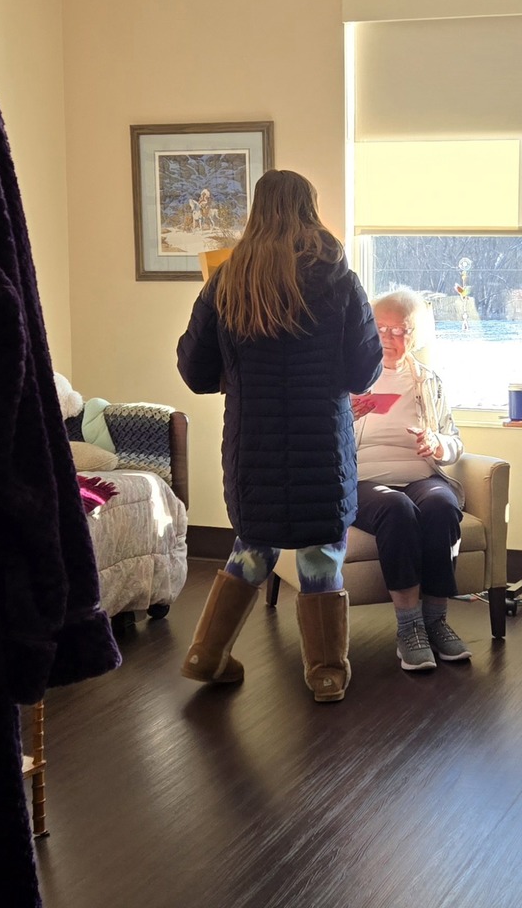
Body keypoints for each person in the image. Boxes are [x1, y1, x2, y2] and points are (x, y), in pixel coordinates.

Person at [177, 169, 382, 702]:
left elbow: (195, 372)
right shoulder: (339, 279)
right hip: (322, 447)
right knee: (321, 553)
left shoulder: (227, 281)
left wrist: (237, 370)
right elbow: (364, 371)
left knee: (253, 546)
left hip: (252, 446)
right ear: (309, 209)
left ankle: (205, 654)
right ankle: (326, 673)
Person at [352, 288, 470, 671]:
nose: (388, 337)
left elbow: (455, 442)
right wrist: (343, 417)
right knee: (396, 507)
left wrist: (437, 444)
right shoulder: (350, 377)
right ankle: (409, 628)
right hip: (364, 481)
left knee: (441, 505)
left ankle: (436, 621)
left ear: (414, 334)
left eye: (399, 330)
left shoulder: (428, 382)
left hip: (420, 475)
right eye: (380, 328)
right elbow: (317, 440)